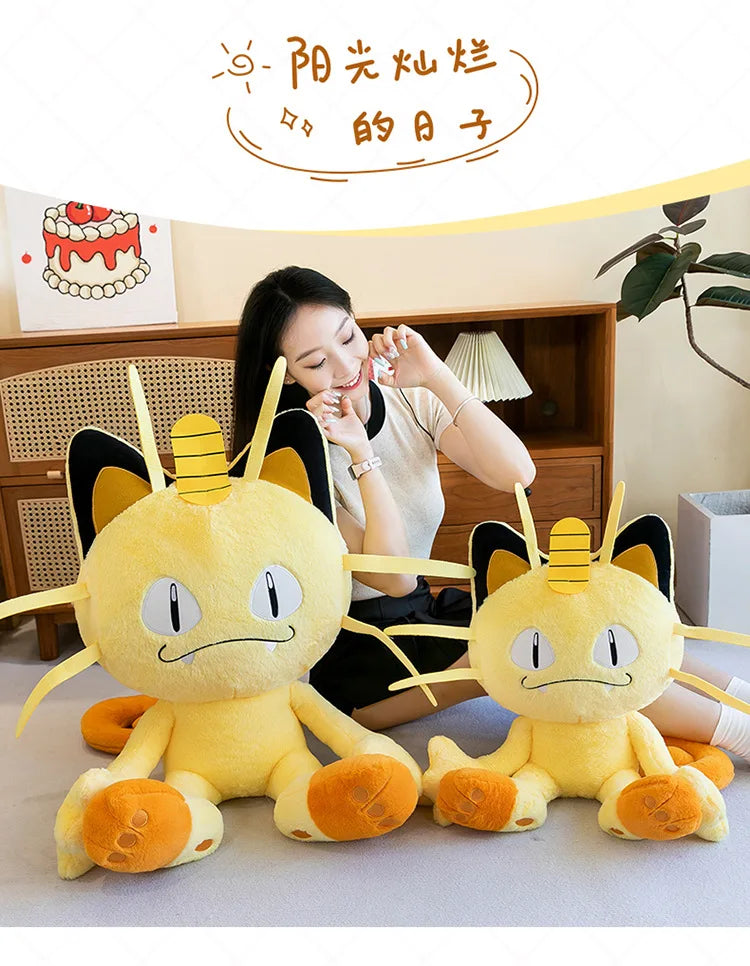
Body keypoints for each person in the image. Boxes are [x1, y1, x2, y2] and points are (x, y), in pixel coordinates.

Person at [233, 265, 750, 766]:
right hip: (365, 657)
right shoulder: (291, 457)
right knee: (569, 647)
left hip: (428, 611)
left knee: (595, 608)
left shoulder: (406, 399)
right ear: (285, 373)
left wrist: (436, 376)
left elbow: (516, 472)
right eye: (315, 363)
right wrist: (360, 455)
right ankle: (740, 733)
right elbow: (393, 577)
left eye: (348, 338)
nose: (347, 367)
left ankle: (741, 692)